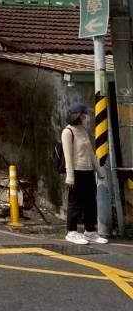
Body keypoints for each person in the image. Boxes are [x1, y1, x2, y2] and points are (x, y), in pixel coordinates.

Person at [62, 102, 107, 245]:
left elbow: (91, 153)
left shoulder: (83, 130)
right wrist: (70, 176)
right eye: (84, 114)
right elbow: (68, 156)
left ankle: (90, 232)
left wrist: (99, 170)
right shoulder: (68, 132)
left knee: (90, 203)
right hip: (76, 171)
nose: (86, 117)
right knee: (75, 203)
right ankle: (71, 232)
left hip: (88, 171)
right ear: (77, 115)